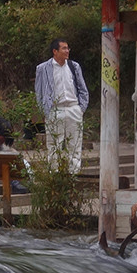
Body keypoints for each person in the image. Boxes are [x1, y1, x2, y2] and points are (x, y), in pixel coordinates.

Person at [34, 38, 90, 173]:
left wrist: (81, 108)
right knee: (54, 146)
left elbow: (82, 89)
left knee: (75, 145)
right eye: (64, 48)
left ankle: (74, 175)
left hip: (73, 108)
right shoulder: (43, 68)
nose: (67, 51)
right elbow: (39, 91)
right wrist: (45, 111)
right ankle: (55, 176)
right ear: (55, 51)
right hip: (54, 109)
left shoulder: (74, 66)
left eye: (67, 48)